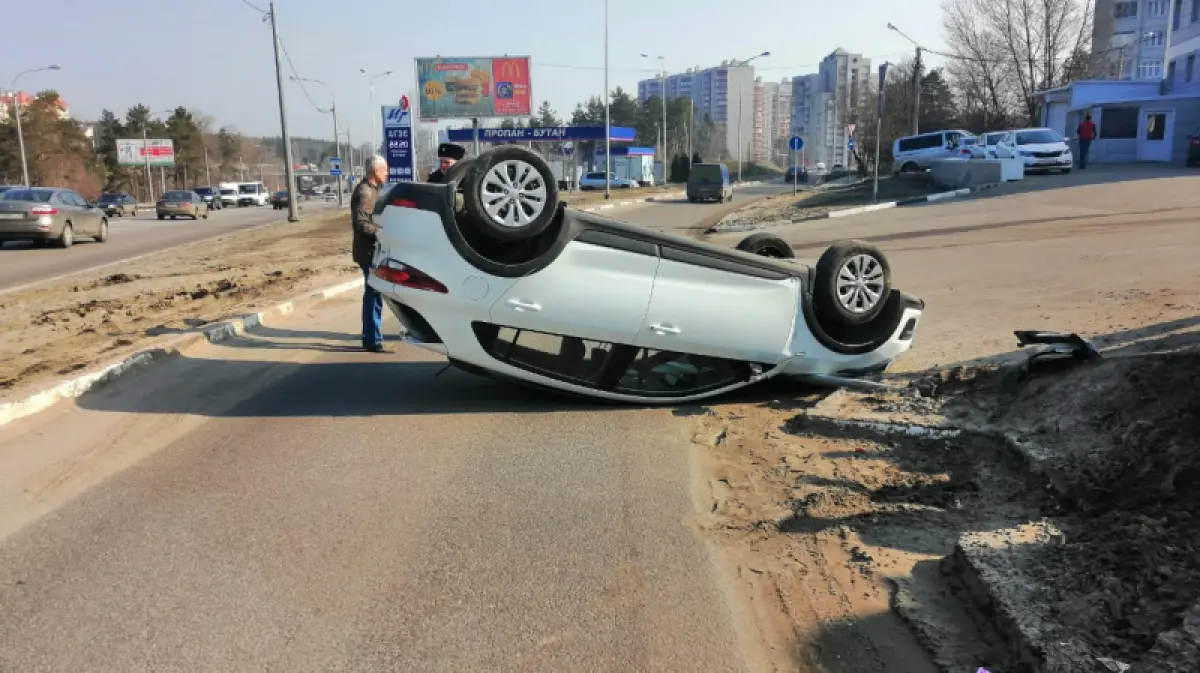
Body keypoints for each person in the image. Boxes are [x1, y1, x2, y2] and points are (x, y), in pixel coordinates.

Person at [351, 155, 389, 353]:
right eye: (385, 170)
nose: (387, 173)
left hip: (375, 251)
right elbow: (360, 224)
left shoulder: (375, 189)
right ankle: (372, 340)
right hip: (369, 253)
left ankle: (373, 337)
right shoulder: (365, 192)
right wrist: (383, 231)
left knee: (375, 294)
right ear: (376, 171)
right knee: (373, 295)